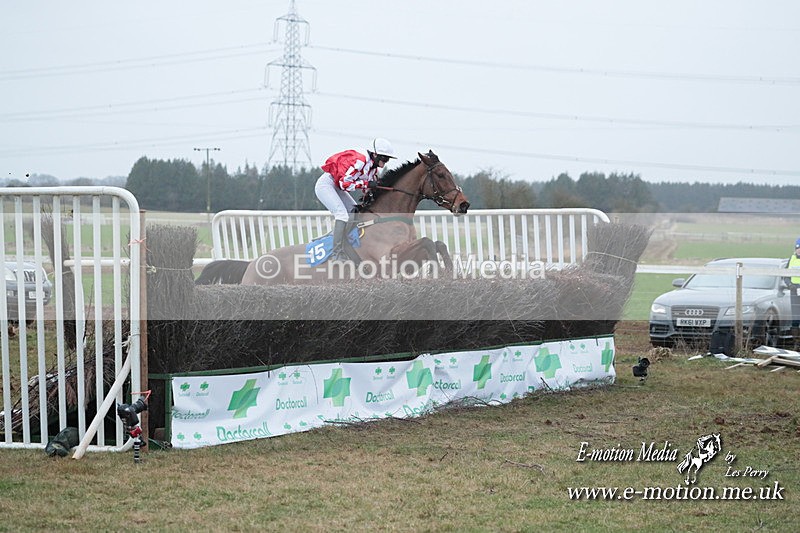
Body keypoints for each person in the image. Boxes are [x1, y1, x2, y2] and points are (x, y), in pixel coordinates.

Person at [314, 138, 397, 260]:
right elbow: (344, 184)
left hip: (337, 186)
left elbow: (366, 190)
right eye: (384, 158)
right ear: (375, 154)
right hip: (327, 185)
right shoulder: (360, 159)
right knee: (342, 215)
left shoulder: (373, 168)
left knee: (355, 212)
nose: (385, 162)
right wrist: (366, 184)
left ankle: (345, 243)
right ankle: (336, 253)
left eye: (388, 159)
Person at [785, 237, 800, 337]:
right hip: (794, 291)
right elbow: (785, 275)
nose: (799, 250)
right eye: (797, 248)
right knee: (795, 317)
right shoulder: (792, 259)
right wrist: (790, 285)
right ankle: (796, 341)